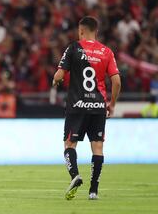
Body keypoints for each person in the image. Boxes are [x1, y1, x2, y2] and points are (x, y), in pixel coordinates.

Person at [53, 16, 121, 200]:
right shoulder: (107, 52)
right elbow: (116, 81)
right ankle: (93, 191)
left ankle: (75, 175)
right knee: (97, 148)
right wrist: (112, 104)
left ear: (81, 30)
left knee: (69, 144)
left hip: (77, 105)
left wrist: (55, 80)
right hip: (98, 106)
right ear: (96, 32)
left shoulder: (74, 48)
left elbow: (59, 75)